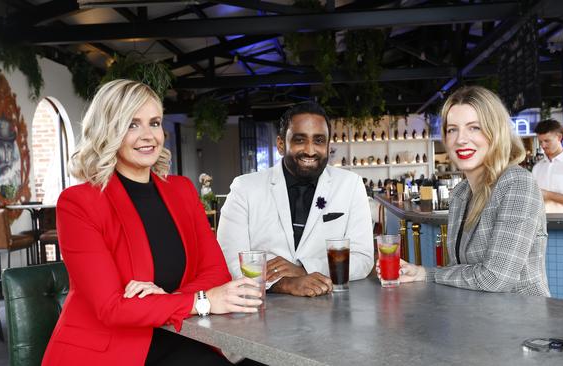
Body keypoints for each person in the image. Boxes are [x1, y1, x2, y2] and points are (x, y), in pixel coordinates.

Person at [42, 79, 262, 366]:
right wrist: (201, 301)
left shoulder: (181, 190)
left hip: (180, 337)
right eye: (132, 124)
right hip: (110, 352)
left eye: (154, 123)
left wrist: (167, 298)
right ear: (109, 131)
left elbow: (216, 274)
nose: (149, 136)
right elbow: (112, 308)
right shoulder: (79, 203)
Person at [380, 86, 550, 296]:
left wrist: (429, 274)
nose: (460, 139)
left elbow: (496, 278)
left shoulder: (517, 183)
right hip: (476, 318)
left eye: (474, 127)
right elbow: (460, 267)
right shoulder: (461, 193)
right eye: (452, 129)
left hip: (521, 321)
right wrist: (420, 273)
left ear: (496, 132)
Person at [217, 101, 374, 297]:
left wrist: (304, 270)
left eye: (318, 140)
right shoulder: (245, 188)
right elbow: (228, 261)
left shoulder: (351, 185)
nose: (310, 150)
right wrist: (284, 283)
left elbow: (363, 259)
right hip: (262, 311)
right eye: (300, 140)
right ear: (281, 145)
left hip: (330, 311)